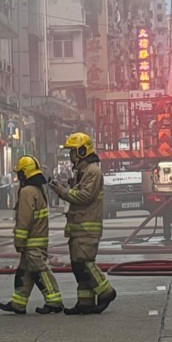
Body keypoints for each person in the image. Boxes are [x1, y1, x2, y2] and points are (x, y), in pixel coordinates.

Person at [49, 132, 117, 315]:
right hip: (79, 227)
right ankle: (85, 303)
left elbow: (85, 197)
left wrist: (63, 191)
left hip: (88, 227)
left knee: (85, 263)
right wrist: (70, 186)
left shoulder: (92, 172)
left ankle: (106, 291)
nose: (70, 156)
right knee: (78, 266)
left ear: (81, 151)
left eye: (72, 151)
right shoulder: (83, 172)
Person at [0, 156, 64, 315]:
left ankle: (54, 300)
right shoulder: (38, 190)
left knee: (39, 270)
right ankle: (18, 303)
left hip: (32, 241)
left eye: (19, 173)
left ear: (23, 174)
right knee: (24, 272)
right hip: (37, 238)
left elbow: (24, 219)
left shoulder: (27, 192)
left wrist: (19, 240)